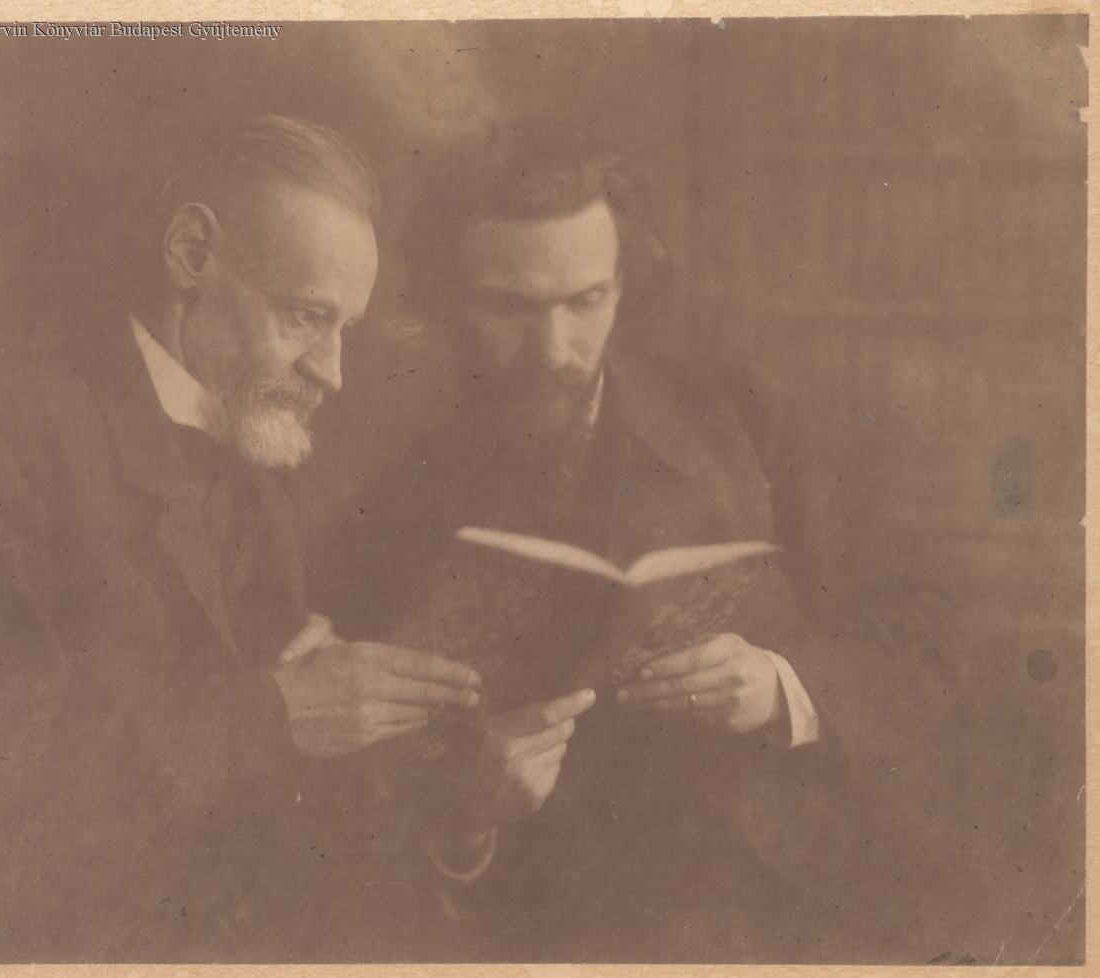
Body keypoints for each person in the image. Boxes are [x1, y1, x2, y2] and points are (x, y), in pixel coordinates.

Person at [0, 115, 483, 963]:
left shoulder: (257, 450)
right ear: (190, 253)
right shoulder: (4, 436)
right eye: (303, 316)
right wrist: (277, 712)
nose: (332, 372)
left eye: (344, 329)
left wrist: (459, 804)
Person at [315, 117, 943, 962]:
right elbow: (338, 834)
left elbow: (925, 646)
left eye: (587, 302)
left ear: (623, 286)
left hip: (783, 917)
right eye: (508, 307)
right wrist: (464, 819)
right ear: (444, 299)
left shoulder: (744, 422)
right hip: (546, 936)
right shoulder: (382, 510)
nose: (555, 350)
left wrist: (780, 687)